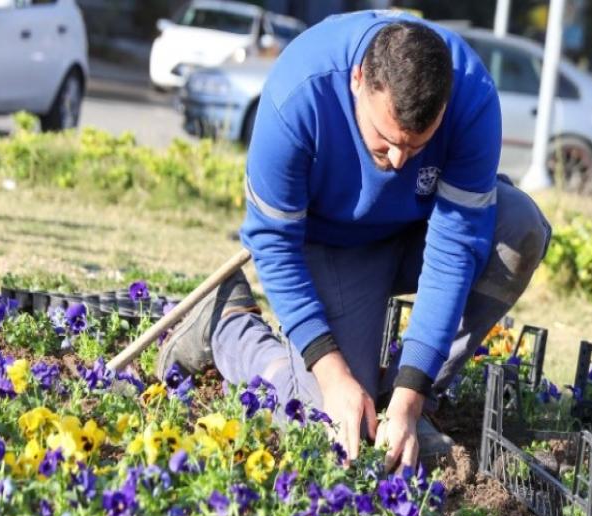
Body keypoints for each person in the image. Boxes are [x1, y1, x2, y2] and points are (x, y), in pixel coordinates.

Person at [158, 10, 551, 471]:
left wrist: (409, 397)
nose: (400, 162)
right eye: (385, 143)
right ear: (358, 80)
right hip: (335, 244)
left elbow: (454, 247)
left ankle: (402, 403)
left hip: (420, 231)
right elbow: (275, 243)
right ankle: (225, 325)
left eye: (418, 145)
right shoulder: (298, 94)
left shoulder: (472, 95)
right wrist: (333, 372)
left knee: (519, 226)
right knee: (326, 416)